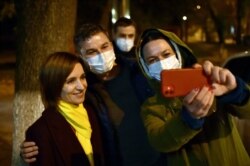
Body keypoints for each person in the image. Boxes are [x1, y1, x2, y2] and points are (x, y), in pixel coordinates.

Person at [21, 24, 164, 166]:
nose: (101, 54)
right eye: (92, 52)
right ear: (80, 55)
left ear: (111, 44)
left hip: (158, 160)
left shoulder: (139, 71)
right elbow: (60, 120)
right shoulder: (83, 89)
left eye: (104, 46)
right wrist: (35, 146)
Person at [136, 28, 250, 165]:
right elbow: (160, 141)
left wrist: (236, 91)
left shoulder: (209, 79)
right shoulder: (151, 106)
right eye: (152, 60)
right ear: (145, 68)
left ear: (177, 54)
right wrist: (188, 119)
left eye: (166, 55)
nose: (161, 63)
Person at [24, 52, 106, 165]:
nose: (81, 86)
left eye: (82, 77)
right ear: (54, 85)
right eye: (71, 81)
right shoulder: (40, 131)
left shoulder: (91, 112)